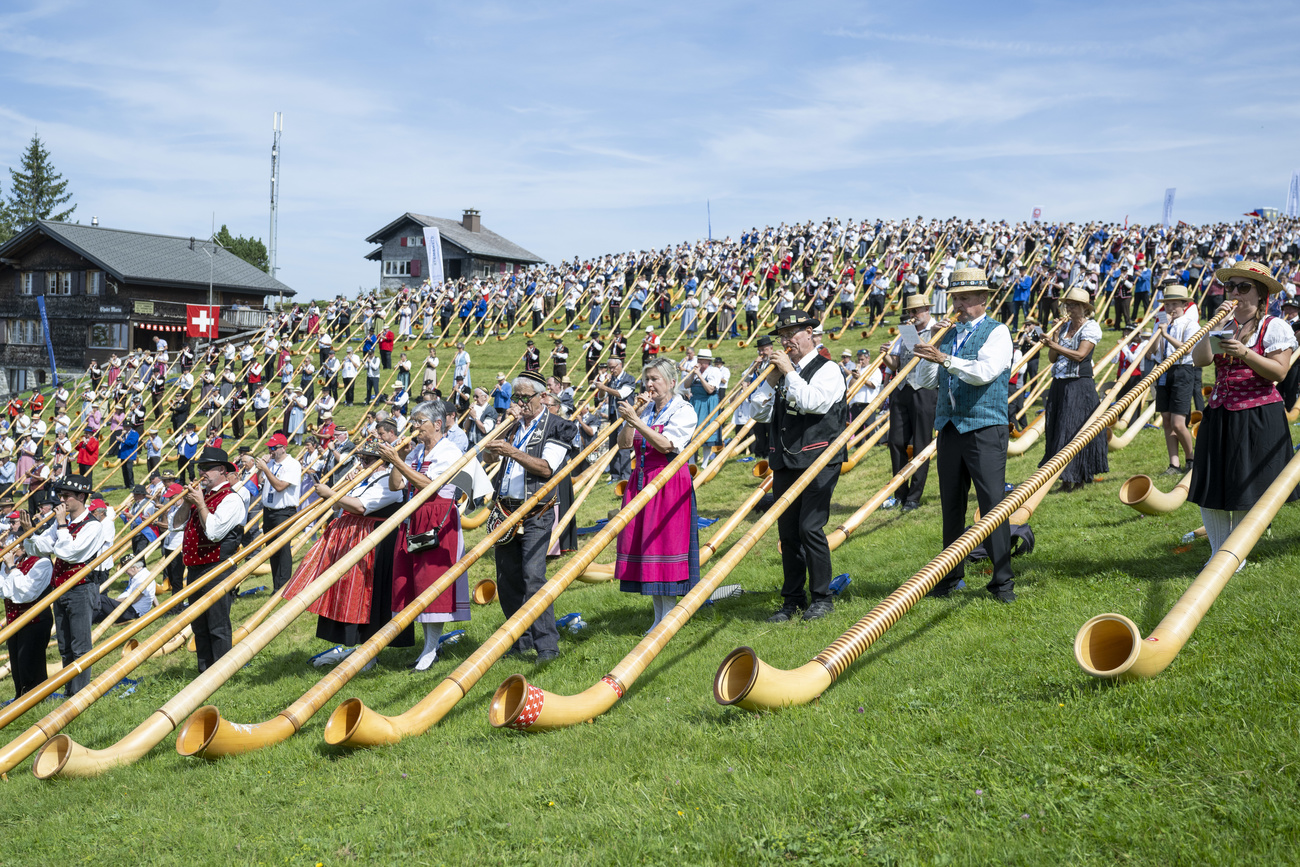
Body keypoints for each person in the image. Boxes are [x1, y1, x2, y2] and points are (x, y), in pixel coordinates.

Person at [911, 268, 1016, 602]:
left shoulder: (997, 332)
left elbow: (984, 373)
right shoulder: (951, 333)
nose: (959, 304)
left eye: (966, 298)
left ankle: (1002, 582)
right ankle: (949, 576)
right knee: (951, 507)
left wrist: (944, 357)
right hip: (951, 427)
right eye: (955, 298)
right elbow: (925, 382)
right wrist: (933, 349)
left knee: (992, 505)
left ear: (984, 299)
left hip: (985, 427)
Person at [739, 308, 848, 621]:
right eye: (783, 336)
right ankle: (792, 600)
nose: (787, 341)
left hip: (820, 458)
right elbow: (757, 413)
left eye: (794, 334)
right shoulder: (784, 372)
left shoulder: (828, 368)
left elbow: (813, 403)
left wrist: (788, 372)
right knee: (787, 533)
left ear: (810, 334)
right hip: (786, 459)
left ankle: (822, 598)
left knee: (810, 527)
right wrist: (770, 380)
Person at [1189, 260, 1299, 560]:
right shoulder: (1225, 324)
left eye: (1243, 287)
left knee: (1244, 488)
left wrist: (1246, 353)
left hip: (1256, 414)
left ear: (1261, 295)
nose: (1235, 292)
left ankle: (1234, 557)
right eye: (1230, 286)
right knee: (1210, 486)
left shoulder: (1274, 326)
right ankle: (1217, 554)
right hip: (1220, 412)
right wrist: (1209, 327)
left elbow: (1279, 373)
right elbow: (1201, 361)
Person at [281, 437, 414, 668]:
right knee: (346, 594)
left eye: (367, 459)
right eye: (362, 458)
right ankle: (354, 646)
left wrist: (332, 493)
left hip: (373, 544)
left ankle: (369, 652)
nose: (362, 463)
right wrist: (340, 490)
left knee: (369, 597)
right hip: (352, 539)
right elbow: (338, 506)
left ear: (380, 461)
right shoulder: (364, 478)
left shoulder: (389, 481)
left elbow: (361, 506)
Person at [480, 371, 576, 662]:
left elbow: (547, 468)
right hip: (505, 508)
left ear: (543, 397)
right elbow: (489, 459)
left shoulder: (559, 426)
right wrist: (496, 441)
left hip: (536, 510)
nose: (519, 403)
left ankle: (547, 645)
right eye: (516, 397)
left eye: (525, 398)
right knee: (507, 577)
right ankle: (520, 640)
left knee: (533, 576)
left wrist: (511, 450)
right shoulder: (511, 426)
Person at [382, 400, 468, 671]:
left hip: (437, 518)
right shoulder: (417, 451)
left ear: (438, 424)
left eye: (420, 422)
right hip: (412, 517)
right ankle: (427, 647)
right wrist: (397, 459)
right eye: (415, 422)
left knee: (432, 583)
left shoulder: (450, 451)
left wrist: (399, 461)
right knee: (412, 583)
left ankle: (431, 649)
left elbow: (432, 486)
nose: (415, 427)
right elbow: (396, 485)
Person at [615, 358, 700, 630]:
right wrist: (633, 418)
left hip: (668, 482)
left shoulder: (683, 410)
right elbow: (624, 444)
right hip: (641, 480)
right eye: (647, 379)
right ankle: (658, 616)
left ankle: (670, 616)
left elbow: (666, 446)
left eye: (655, 379)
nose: (649, 384)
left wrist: (636, 420)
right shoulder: (647, 410)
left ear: (672, 382)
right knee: (646, 546)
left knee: (664, 546)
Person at [21, 474, 101, 694]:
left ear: (82, 496)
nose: (61, 500)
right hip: (61, 589)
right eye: (60, 495)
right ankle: (69, 690)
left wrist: (62, 524)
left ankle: (81, 693)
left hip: (81, 589)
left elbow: (71, 553)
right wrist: (30, 533)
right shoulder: (61, 524)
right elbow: (39, 547)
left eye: (67, 495)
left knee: (80, 645)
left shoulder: (93, 526)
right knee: (65, 644)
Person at [175, 446, 247, 672]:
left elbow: (214, 532)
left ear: (223, 471)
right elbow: (175, 525)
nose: (202, 473)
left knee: (217, 624)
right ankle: (204, 671)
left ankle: (223, 672)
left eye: (207, 468)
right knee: (199, 624)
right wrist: (188, 503)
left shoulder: (232, 499)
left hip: (217, 568)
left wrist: (200, 505)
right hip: (196, 568)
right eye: (200, 468)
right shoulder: (201, 497)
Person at [1038, 286, 1108, 491]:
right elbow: (1053, 359)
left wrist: (1054, 344)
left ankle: (1077, 476)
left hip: (1079, 385)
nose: (1068, 308)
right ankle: (1064, 477)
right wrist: (1056, 337)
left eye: (1073, 305)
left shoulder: (1091, 327)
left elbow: (1080, 355)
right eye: (1067, 304)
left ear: (1084, 308)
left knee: (1074, 430)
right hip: (1060, 382)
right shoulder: (1065, 326)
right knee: (1059, 428)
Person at [881, 294, 938, 511]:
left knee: (922, 444)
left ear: (927, 309)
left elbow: (925, 352)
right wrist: (886, 355)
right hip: (902, 389)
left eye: (916, 311)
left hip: (925, 391)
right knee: (895, 442)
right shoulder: (906, 332)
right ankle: (899, 492)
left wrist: (910, 334)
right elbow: (896, 364)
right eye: (910, 312)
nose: (913, 316)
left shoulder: (936, 329)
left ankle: (914, 496)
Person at [1151, 282, 1199, 474]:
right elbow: (1153, 351)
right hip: (1163, 370)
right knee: (1166, 419)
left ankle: (1192, 458)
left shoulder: (1190, 324)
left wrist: (1165, 333)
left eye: (1174, 304)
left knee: (1179, 422)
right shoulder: (1162, 325)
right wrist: (1158, 333)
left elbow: (1187, 348)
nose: (1170, 309)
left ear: (1184, 305)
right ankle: (1174, 464)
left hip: (1183, 370)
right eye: (1167, 305)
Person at [1, 532, 53, 700]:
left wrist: (12, 568)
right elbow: (5, 592)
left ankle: (35, 698)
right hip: (15, 620)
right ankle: (20, 696)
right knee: (17, 664)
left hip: (34, 620)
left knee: (30, 663)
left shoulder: (43, 563)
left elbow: (27, 593)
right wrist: (7, 567)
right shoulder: (17, 562)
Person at [254, 433, 302, 591]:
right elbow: (261, 481)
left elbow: (280, 486)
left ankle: (284, 586)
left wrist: (266, 469)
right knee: (272, 549)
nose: (271, 451)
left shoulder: (292, 464)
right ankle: (277, 586)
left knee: (283, 549)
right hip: (269, 510)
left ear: (283, 448)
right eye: (269, 448)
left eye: (274, 448)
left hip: (284, 511)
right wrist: (261, 470)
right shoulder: (272, 463)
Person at [593, 356, 636, 481]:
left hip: (624, 416)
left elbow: (621, 394)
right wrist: (601, 388)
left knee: (624, 446)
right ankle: (615, 475)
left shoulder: (629, 379)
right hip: (613, 417)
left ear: (620, 365)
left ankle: (626, 476)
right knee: (613, 445)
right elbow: (601, 397)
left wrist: (604, 387)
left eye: (613, 367)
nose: (611, 370)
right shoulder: (611, 380)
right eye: (609, 368)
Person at [682, 348, 723, 463]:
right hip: (695, 402)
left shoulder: (714, 371)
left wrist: (699, 375)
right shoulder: (694, 370)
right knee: (691, 432)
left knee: (707, 432)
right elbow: (686, 385)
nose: (699, 363)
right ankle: (691, 462)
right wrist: (692, 374)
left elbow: (710, 389)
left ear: (708, 361)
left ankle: (705, 462)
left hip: (708, 403)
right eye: (698, 360)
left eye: (702, 361)